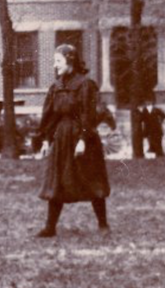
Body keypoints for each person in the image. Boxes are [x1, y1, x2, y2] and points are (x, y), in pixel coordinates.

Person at [31, 44, 111, 237]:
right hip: (61, 139)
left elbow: (89, 114)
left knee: (91, 179)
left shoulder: (85, 85)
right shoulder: (56, 87)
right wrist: (45, 140)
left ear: (70, 61)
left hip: (83, 139)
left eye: (58, 61)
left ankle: (103, 225)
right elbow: (50, 117)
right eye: (54, 61)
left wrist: (83, 139)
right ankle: (50, 228)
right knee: (56, 182)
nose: (55, 65)